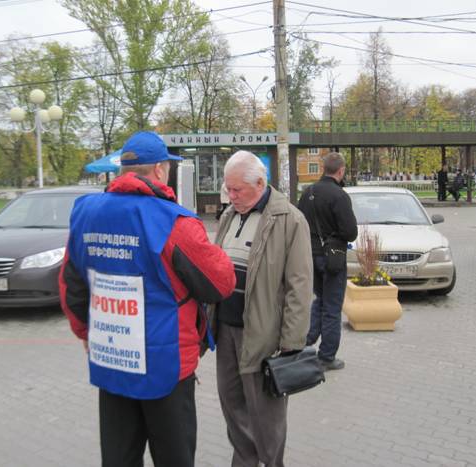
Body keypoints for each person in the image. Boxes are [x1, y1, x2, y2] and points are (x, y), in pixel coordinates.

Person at [59, 131, 236, 467]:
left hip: (112, 358)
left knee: (119, 457)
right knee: (174, 457)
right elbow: (220, 283)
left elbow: (72, 285)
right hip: (166, 366)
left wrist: (85, 333)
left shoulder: (86, 213)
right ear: (158, 170)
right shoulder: (173, 221)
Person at [208, 150, 313, 467]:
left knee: (266, 414)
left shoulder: (290, 220)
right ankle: (244, 461)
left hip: (263, 335)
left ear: (259, 183)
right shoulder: (229, 215)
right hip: (226, 330)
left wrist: (292, 341)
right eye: (228, 188)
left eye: (237, 189)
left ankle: (271, 462)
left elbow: (299, 285)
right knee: (232, 404)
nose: (231, 195)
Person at [298, 152, 358, 371]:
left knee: (320, 300)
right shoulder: (339, 196)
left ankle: (305, 342)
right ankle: (326, 356)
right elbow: (350, 232)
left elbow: (299, 223)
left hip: (309, 255)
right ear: (341, 171)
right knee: (332, 307)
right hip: (332, 258)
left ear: (324, 169)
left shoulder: (308, 192)